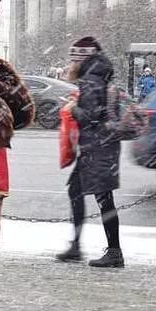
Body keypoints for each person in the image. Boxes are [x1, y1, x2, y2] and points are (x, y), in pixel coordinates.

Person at [55, 36, 124, 268]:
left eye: (72, 59)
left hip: (99, 147)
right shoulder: (96, 74)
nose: (69, 64)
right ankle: (76, 245)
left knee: (104, 199)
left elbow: (92, 117)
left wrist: (74, 109)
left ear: (81, 59)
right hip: (98, 146)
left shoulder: (91, 79)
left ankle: (114, 252)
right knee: (76, 191)